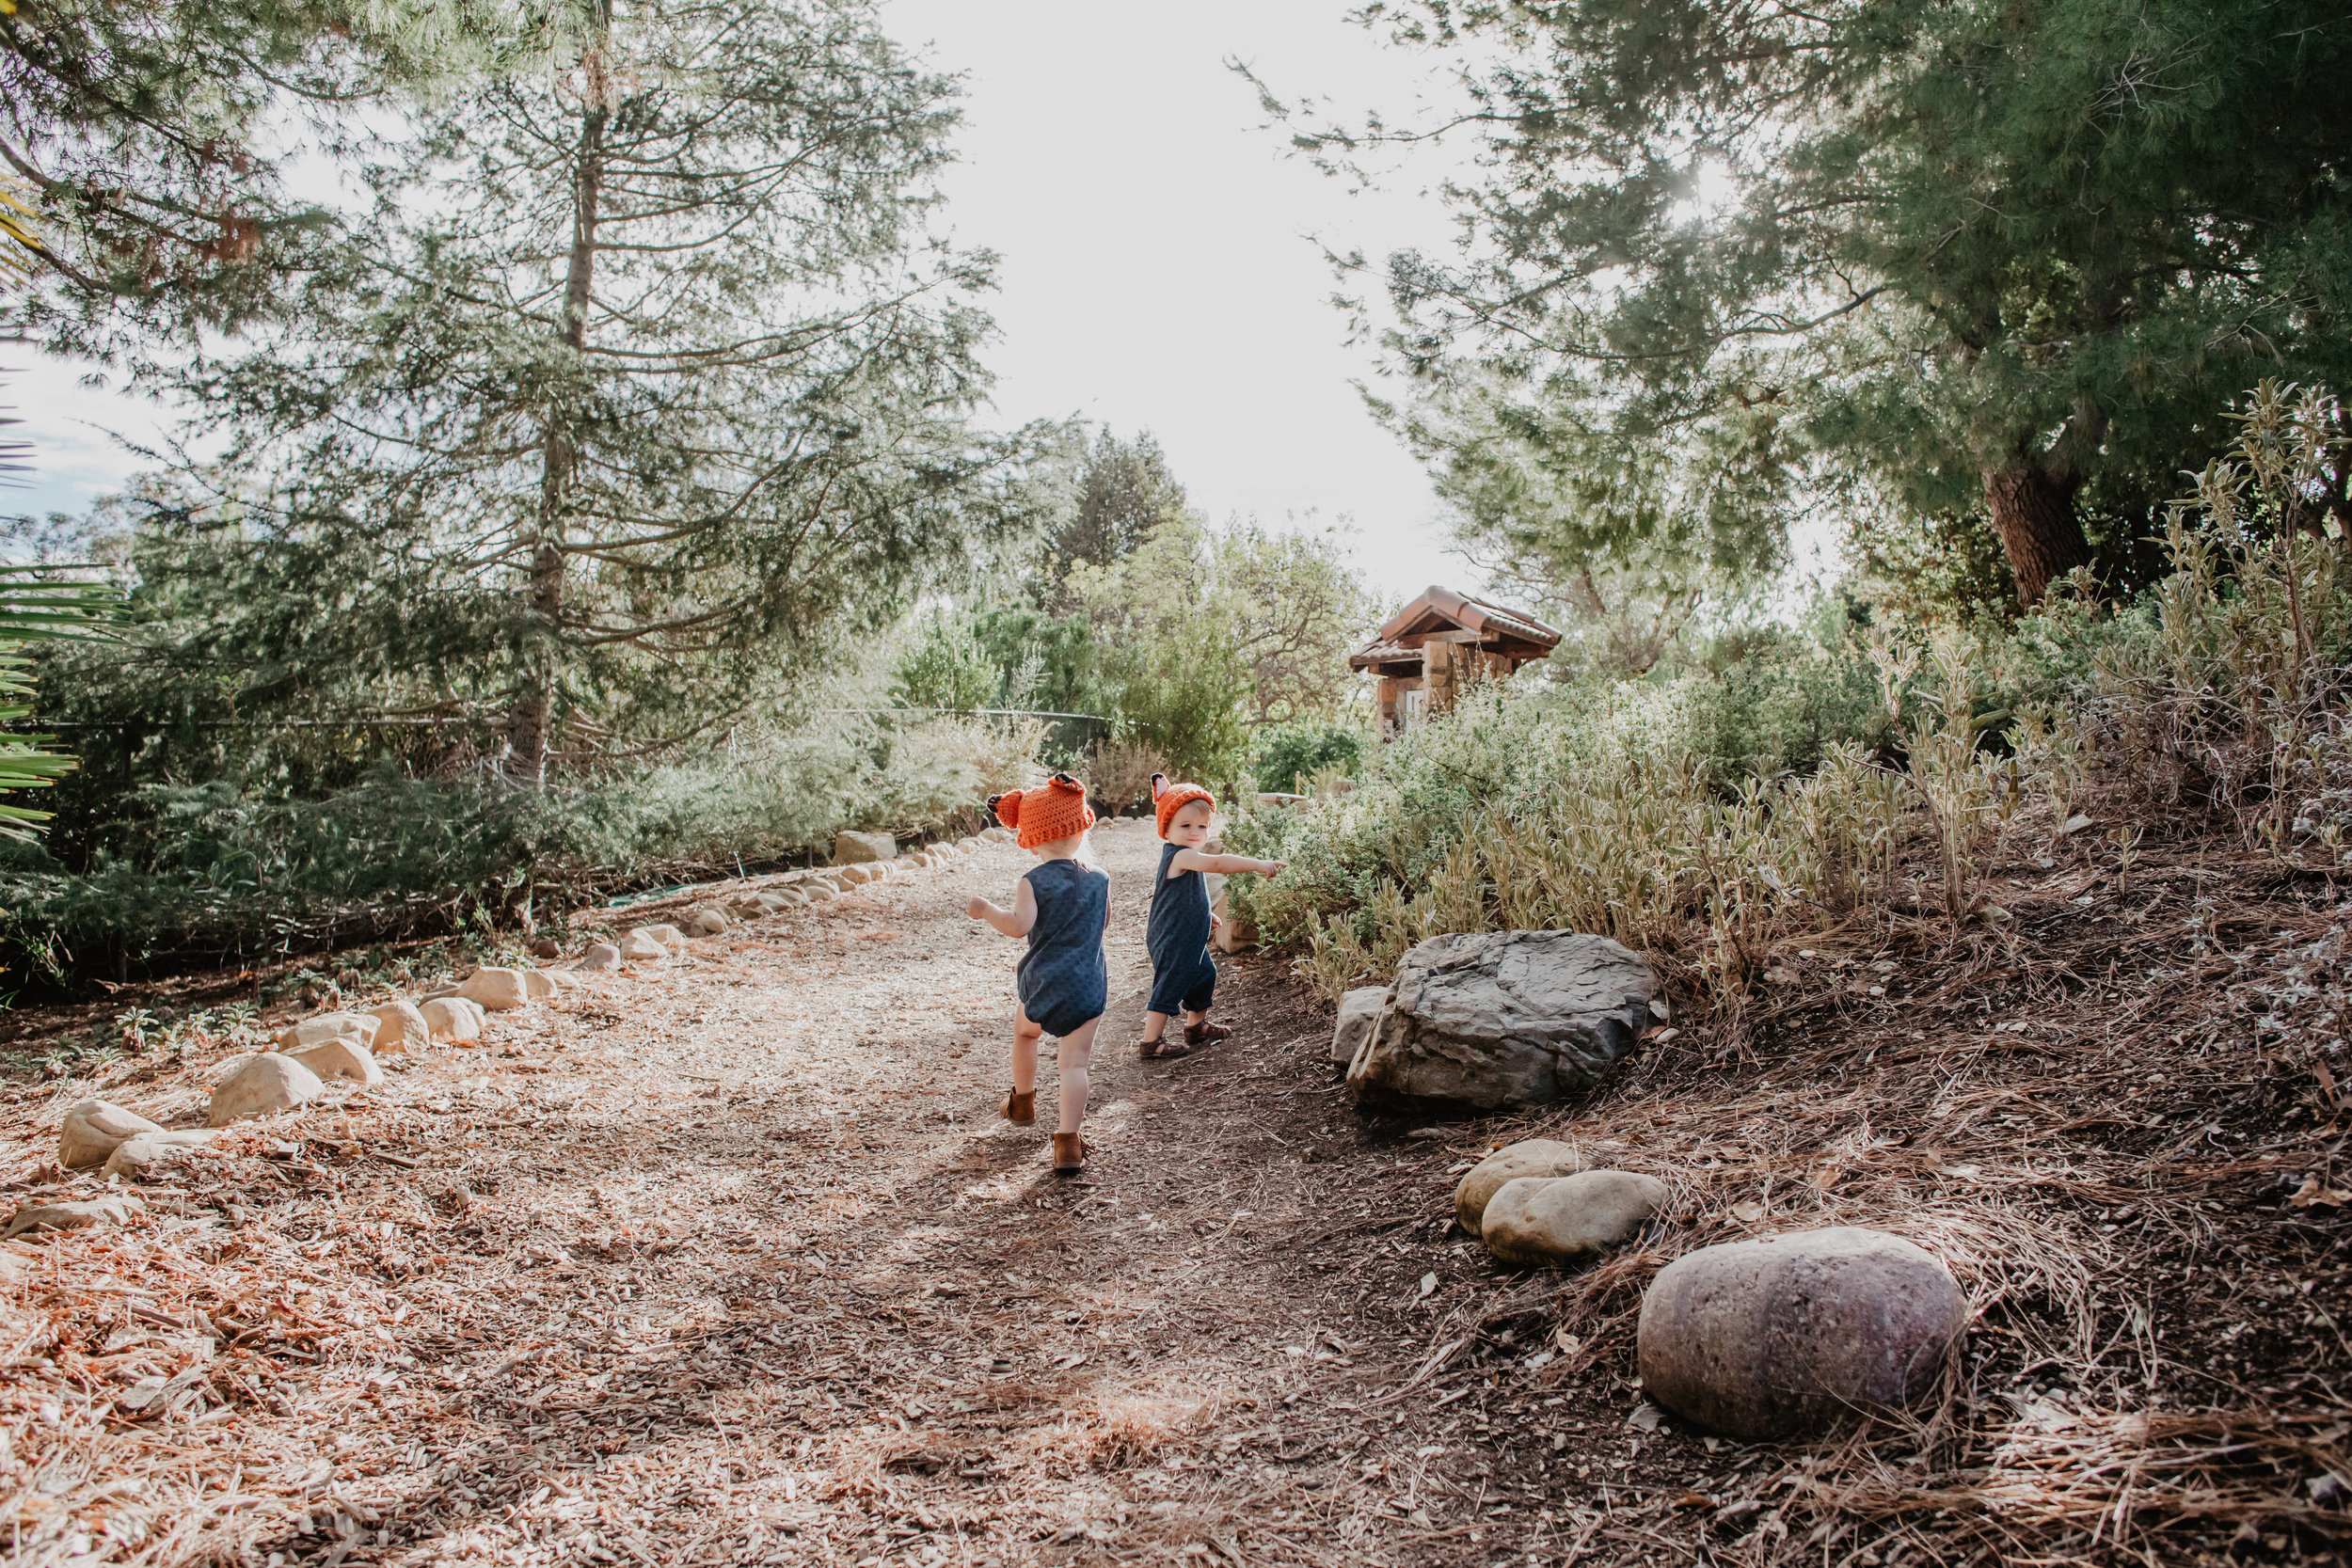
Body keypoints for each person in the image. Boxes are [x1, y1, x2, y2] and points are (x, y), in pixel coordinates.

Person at [967, 772, 1109, 1174]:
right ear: (1082, 828)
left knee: (1025, 1032)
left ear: (1030, 840)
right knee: (1075, 1065)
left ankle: (1024, 1101)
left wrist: (985, 910)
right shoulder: (1100, 879)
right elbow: (1104, 924)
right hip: (1089, 986)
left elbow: (1018, 926)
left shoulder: (1032, 882)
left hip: (1045, 984)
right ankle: (1068, 1143)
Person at [1137, 774, 1285, 1059]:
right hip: (1172, 937)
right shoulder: (1179, 856)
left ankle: (1195, 1025)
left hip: (1187, 935)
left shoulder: (1189, 854)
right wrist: (1257, 864)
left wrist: (1205, 916)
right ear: (1166, 829)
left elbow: (1185, 896)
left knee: (1205, 974)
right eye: (1185, 826)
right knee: (1170, 982)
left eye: (1202, 826)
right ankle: (1150, 1041)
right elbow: (1217, 863)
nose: (1195, 832)